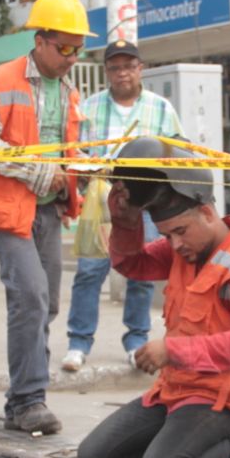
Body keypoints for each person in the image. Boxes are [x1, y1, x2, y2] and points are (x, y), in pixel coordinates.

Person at [77, 137, 230, 458]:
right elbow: (133, 264)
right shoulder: (186, 247)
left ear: (207, 213)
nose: (174, 244)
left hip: (223, 399)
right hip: (175, 391)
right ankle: (178, 442)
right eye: (165, 234)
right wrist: (125, 224)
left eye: (179, 232)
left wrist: (174, 350)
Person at [0, 0, 92, 436]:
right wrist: (39, 172)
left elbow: (68, 149)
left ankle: (26, 395)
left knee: (46, 303)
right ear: (40, 41)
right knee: (31, 297)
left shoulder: (71, 91)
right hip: (5, 211)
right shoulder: (2, 81)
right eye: (65, 47)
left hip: (47, 212)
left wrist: (81, 179)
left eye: (79, 48)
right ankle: (26, 401)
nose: (73, 57)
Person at [62, 39, 183, 373]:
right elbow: (75, 152)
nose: (122, 73)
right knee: (89, 271)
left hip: (146, 204)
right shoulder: (90, 107)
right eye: (115, 67)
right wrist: (91, 165)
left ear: (140, 69)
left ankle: (136, 341)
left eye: (129, 66)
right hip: (101, 202)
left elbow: (179, 151)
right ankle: (79, 343)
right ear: (107, 72)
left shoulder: (160, 108)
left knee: (141, 273)